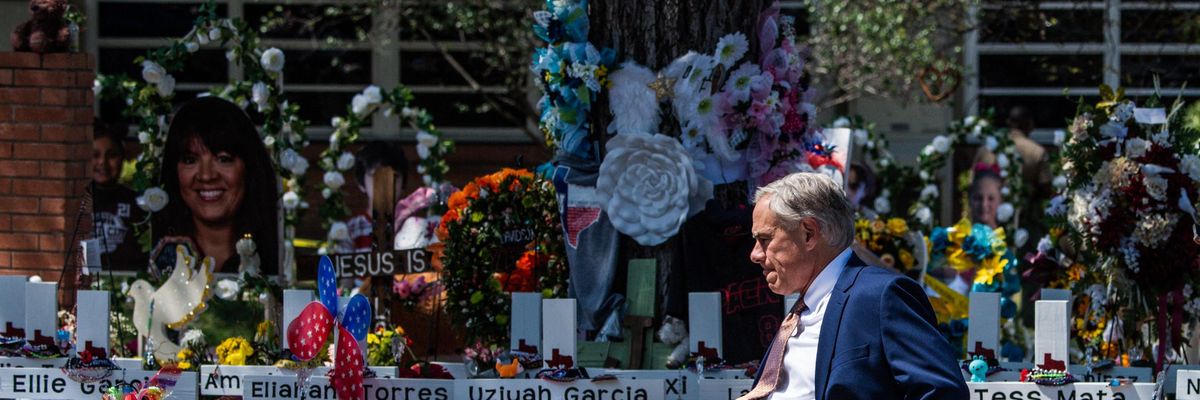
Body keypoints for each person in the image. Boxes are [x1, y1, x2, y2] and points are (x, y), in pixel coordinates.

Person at [741, 172, 966, 400]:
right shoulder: (801, 311)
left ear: (808, 233)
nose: (755, 254)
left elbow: (943, 393)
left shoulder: (880, 296)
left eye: (765, 240)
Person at [153, 97, 278, 275]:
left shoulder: (280, 258)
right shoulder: (155, 255)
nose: (207, 175)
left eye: (223, 159)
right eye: (190, 160)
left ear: (249, 168)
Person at [90, 120, 148, 271]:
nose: (102, 162)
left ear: (123, 157)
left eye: (112, 155)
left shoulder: (137, 203)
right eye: (95, 155)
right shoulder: (75, 202)